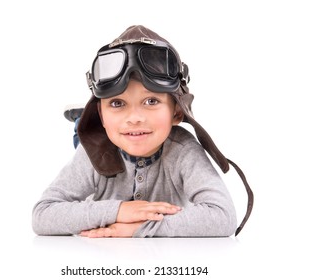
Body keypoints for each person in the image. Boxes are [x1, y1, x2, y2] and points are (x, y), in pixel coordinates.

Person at [32, 25, 253, 238]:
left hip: (126, 133)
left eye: (151, 100)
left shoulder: (184, 151)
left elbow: (223, 216)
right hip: (104, 139)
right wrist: (120, 210)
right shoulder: (93, 152)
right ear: (101, 116)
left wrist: (141, 228)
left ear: (176, 113)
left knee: (118, 130)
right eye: (117, 103)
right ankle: (81, 120)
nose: (135, 118)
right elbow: (42, 215)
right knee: (87, 138)